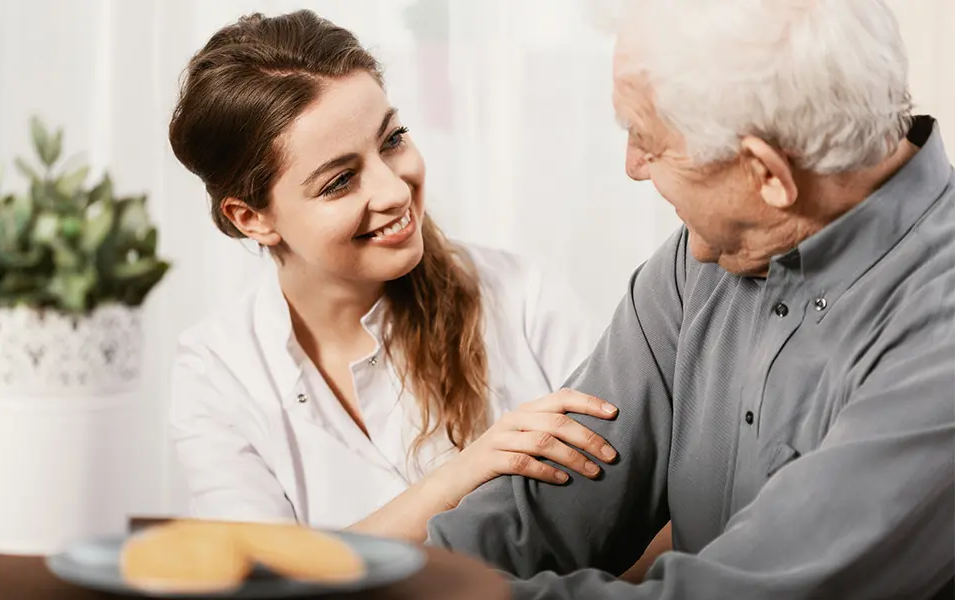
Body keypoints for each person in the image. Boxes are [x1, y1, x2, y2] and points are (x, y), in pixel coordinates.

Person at [426, 0, 955, 598]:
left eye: (647, 140)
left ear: (767, 174)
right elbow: (545, 499)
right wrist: (403, 578)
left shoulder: (939, 338)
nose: (631, 167)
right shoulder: (702, 261)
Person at [165, 10, 620, 543]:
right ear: (252, 218)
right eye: (339, 181)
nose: (395, 191)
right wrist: (464, 475)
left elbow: (639, 514)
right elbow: (265, 576)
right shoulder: (217, 371)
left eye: (392, 139)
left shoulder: (523, 298)